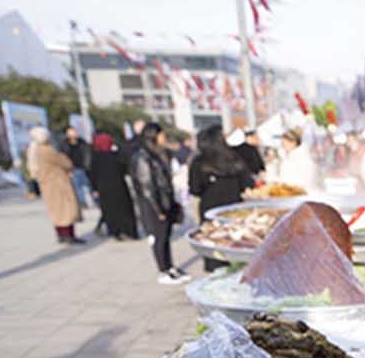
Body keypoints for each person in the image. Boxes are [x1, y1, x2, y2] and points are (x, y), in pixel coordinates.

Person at [129, 122, 188, 284]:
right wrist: (158, 209)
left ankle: (170, 267)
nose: (164, 138)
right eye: (161, 135)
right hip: (153, 204)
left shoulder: (159, 153)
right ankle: (163, 271)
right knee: (159, 238)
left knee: (166, 236)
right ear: (153, 136)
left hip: (164, 200)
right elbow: (146, 186)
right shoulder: (142, 157)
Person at [188, 124, 253, 270]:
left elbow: (195, 189)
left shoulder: (199, 162)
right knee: (236, 247)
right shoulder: (235, 158)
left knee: (214, 249)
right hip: (235, 211)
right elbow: (248, 184)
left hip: (210, 212)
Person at [26, 127, 84, 244]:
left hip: (46, 184)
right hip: (58, 183)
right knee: (65, 209)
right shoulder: (47, 150)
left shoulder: (34, 150)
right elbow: (66, 163)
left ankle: (61, 235)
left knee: (55, 210)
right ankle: (68, 235)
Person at [89, 133, 138, 240]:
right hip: (119, 187)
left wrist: (94, 188)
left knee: (110, 211)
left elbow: (93, 174)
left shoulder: (95, 157)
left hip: (104, 189)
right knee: (125, 210)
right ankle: (130, 231)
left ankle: (116, 232)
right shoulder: (116, 155)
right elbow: (125, 169)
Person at [62, 126, 93, 210]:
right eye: (70, 132)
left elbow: (88, 153)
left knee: (89, 185)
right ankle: (83, 203)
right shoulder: (65, 144)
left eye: (73, 132)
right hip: (73, 169)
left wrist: (88, 165)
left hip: (84, 167)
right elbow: (64, 156)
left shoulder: (82, 142)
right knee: (77, 187)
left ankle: (94, 201)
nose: (72, 134)